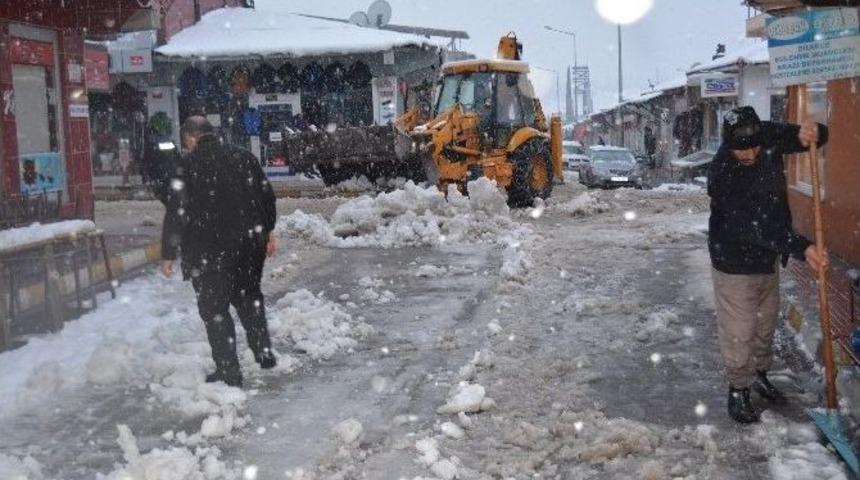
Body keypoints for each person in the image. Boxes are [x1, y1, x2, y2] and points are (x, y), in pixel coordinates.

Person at [708, 106, 829, 424]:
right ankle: (738, 387)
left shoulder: (766, 134)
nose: (748, 154)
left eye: (753, 146)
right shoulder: (722, 174)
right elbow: (753, 227)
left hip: (767, 257)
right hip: (733, 261)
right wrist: (802, 247)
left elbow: (807, 138)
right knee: (739, 332)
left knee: (764, 324)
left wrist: (815, 131)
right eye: (739, 149)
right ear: (727, 143)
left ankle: (759, 374)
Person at [161, 116, 278, 388]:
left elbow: (176, 213)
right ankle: (263, 352)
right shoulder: (243, 157)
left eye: (185, 140)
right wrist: (268, 230)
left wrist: (168, 253)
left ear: (191, 137)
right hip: (248, 247)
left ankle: (229, 372)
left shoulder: (186, 166)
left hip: (207, 252)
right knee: (249, 298)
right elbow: (266, 196)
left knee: (215, 311)